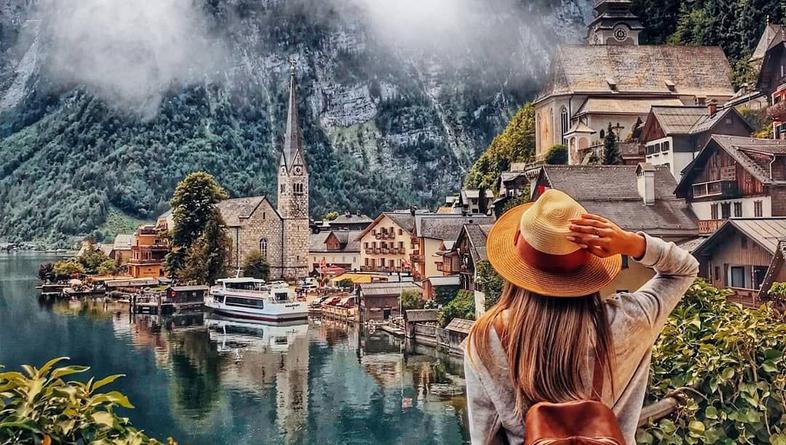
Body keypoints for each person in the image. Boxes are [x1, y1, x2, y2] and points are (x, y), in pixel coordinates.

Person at [465, 189, 698, 445]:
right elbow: (684, 270)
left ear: (518, 266)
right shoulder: (629, 319)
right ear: (589, 263)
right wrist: (631, 243)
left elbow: (484, 436)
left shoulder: (486, 337)